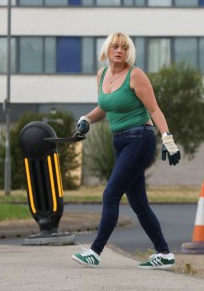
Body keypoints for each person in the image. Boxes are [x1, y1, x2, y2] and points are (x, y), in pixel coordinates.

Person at [71, 32, 181, 270]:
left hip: (140, 139)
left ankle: (95, 251)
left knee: (110, 195)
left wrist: (168, 139)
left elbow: (155, 110)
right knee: (139, 203)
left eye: (123, 47)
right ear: (107, 50)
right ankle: (164, 255)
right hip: (119, 141)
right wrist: (87, 119)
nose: (119, 50)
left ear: (128, 51)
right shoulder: (102, 76)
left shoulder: (136, 75)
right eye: (114, 46)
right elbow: (106, 107)